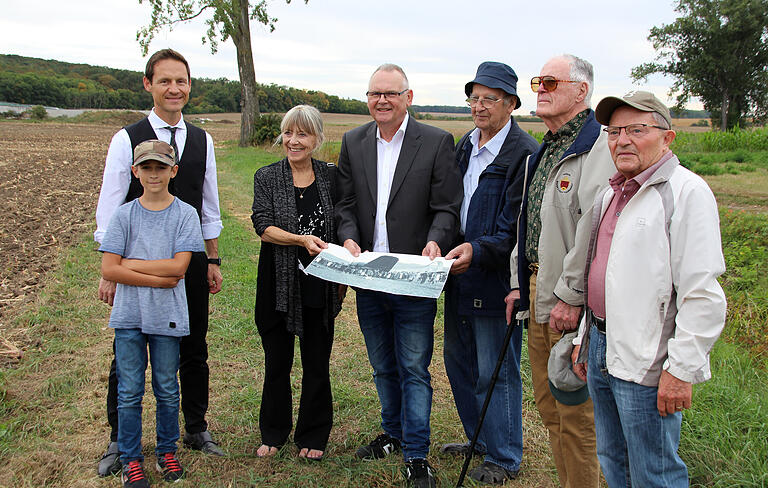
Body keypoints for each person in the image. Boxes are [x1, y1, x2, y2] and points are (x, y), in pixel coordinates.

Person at [570, 91, 726, 487]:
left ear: (667, 138)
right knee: (613, 461)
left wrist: (682, 369)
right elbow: (599, 275)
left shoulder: (686, 193)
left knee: (654, 471)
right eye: (614, 131)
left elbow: (702, 292)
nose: (622, 140)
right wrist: (585, 338)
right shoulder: (611, 194)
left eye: (637, 130)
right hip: (603, 348)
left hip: (649, 363)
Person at [94, 48, 224, 477]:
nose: (174, 88)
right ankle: (119, 438)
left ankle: (194, 427)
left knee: (194, 346)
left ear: (190, 86)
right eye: (165, 80)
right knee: (126, 354)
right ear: (148, 84)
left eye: (182, 81)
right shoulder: (125, 138)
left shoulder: (203, 140)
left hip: (187, 258)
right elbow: (110, 207)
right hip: (134, 267)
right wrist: (110, 272)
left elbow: (209, 205)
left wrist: (213, 258)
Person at [335, 63, 462, 488]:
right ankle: (392, 433)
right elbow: (345, 204)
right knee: (381, 364)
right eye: (374, 94)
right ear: (367, 99)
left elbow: (447, 207)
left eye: (390, 93)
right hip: (370, 274)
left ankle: (416, 454)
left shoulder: (437, 141)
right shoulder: (353, 141)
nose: (382, 101)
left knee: (413, 367)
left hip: (412, 277)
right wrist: (349, 236)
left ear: (409, 97)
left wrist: (436, 240)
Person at [504, 54, 614, 488]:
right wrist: (518, 283)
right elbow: (529, 224)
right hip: (536, 288)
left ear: (581, 91)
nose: (540, 89)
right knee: (550, 407)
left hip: (570, 299)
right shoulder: (544, 150)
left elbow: (593, 230)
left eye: (550, 82)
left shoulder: (598, 149)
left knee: (576, 412)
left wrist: (572, 297)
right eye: (537, 82)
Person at [440, 61, 537, 485]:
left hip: (496, 280)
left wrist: (477, 251)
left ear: (511, 104)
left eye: (489, 99)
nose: (478, 106)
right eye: (474, 98)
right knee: (458, 361)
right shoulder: (465, 145)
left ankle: (504, 455)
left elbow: (515, 226)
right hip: (457, 273)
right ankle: (478, 439)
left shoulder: (524, 153)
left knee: (494, 368)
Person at [100, 139, 204, 488]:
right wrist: (156, 279)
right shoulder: (124, 215)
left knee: (166, 388)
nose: (154, 174)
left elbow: (180, 267)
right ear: (135, 172)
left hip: (167, 317)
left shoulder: (185, 215)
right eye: (147, 168)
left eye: (161, 167)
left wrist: (130, 264)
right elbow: (110, 270)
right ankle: (131, 458)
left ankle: (166, 450)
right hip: (129, 316)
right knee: (129, 390)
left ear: (173, 171)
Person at [250, 104, 343, 461]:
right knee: (277, 362)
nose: (293, 140)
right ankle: (273, 431)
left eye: (302, 133)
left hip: (319, 282)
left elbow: (343, 220)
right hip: (278, 281)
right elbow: (263, 225)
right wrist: (302, 239)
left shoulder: (332, 176)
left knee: (317, 363)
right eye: (288, 132)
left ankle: (314, 434)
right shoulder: (267, 176)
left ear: (317, 138)